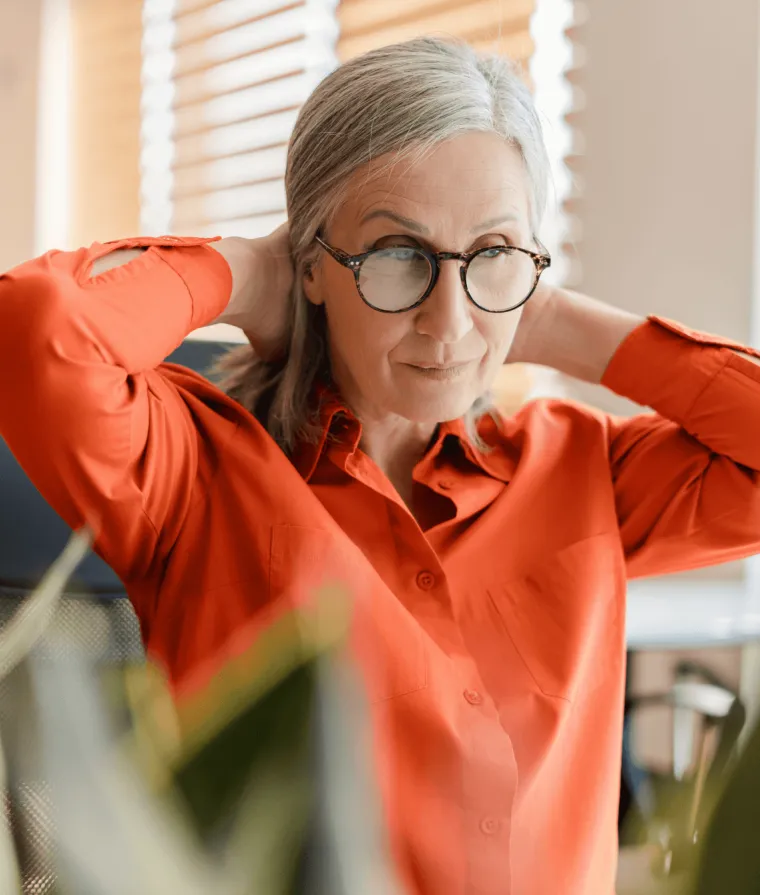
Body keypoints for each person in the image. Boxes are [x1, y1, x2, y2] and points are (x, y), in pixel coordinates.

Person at [1, 35, 759, 895]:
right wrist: (248, 273)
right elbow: (36, 333)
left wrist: (550, 319)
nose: (449, 321)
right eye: (400, 256)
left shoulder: (579, 465)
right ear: (314, 265)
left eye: (491, 254)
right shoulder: (195, 469)